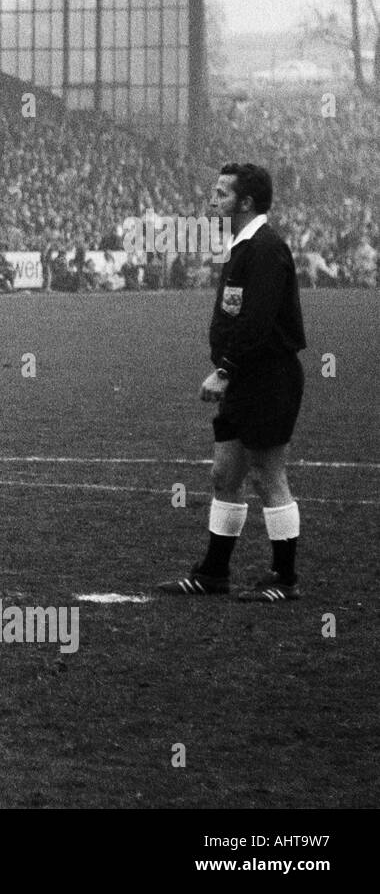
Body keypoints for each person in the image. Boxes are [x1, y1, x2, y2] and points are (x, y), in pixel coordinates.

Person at [156, 163, 307, 603]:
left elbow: (257, 321)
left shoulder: (265, 248)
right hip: (245, 378)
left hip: (267, 378)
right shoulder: (243, 245)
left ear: (246, 203)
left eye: (221, 194)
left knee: (266, 475)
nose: (212, 200)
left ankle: (285, 577)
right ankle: (214, 573)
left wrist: (225, 370)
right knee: (226, 475)